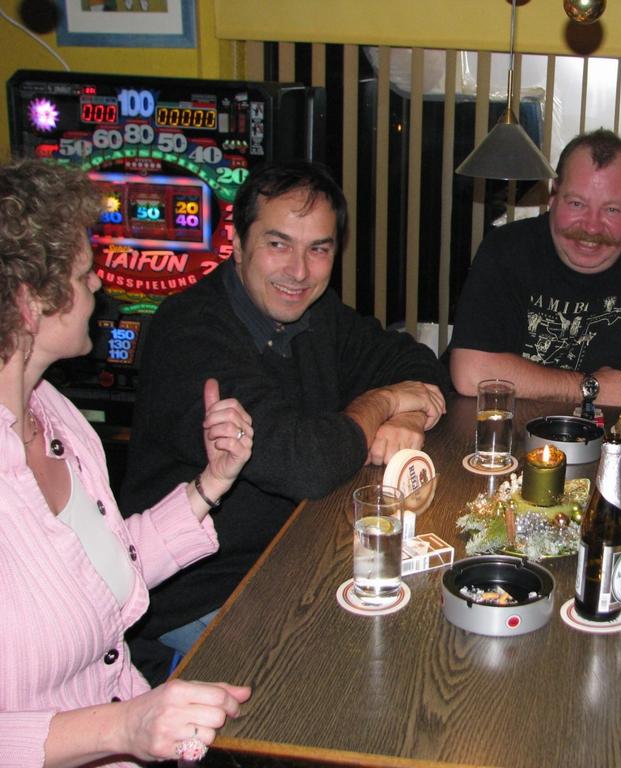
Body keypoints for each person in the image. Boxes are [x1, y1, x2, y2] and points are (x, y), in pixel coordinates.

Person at [121, 160, 447, 683]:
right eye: (278, 244)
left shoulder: (316, 314)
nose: (299, 271)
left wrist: (407, 410)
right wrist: (385, 401)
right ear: (236, 243)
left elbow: (414, 360)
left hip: (296, 559)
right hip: (200, 596)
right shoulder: (190, 333)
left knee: (429, 636)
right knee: (366, 679)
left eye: (318, 249)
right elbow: (305, 464)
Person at [0, 159, 254, 765]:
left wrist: (209, 485)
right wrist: (122, 729)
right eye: (83, 273)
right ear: (30, 303)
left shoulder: (54, 415)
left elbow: (101, 570)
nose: (98, 285)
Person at [448, 129, 621, 406]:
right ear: (553, 195)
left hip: (615, 431)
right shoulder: (506, 249)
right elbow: (470, 372)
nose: (591, 227)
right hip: (513, 427)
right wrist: (591, 388)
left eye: (612, 209)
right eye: (577, 204)